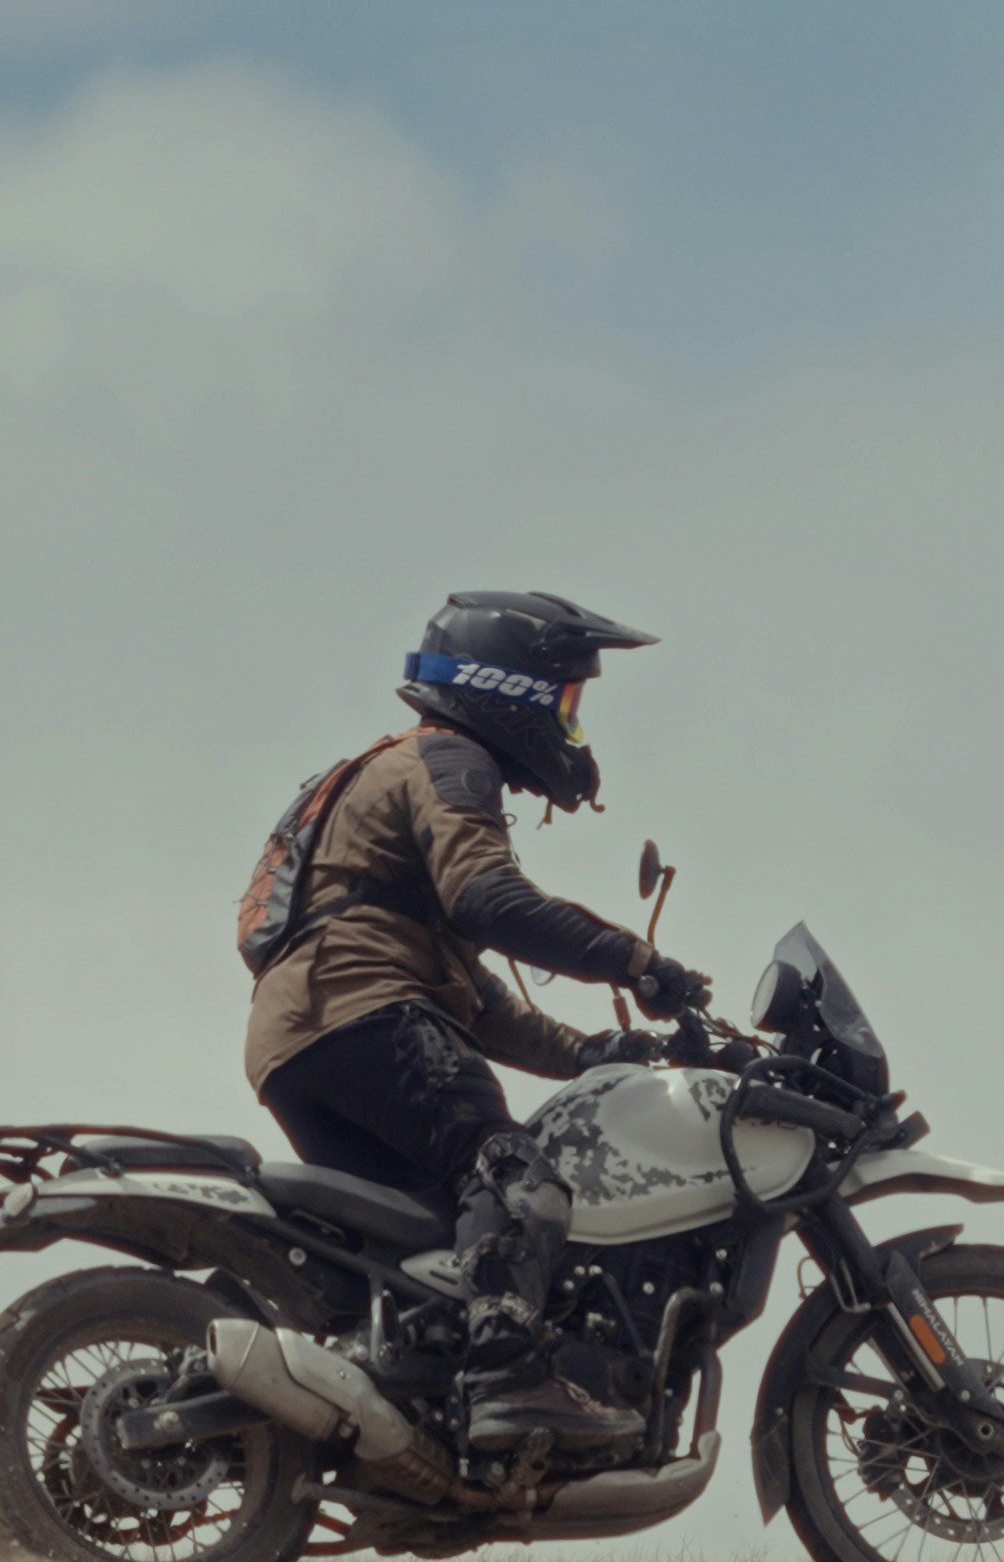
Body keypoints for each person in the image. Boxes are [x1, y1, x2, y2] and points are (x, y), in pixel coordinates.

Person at [239, 591, 710, 1501]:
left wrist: (593, 1052)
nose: (571, 726)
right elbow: (488, 901)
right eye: (566, 702)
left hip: (307, 1033)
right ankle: (506, 1380)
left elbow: (479, 1001)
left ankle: (410, 1428)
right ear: (512, 687)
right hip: (361, 1011)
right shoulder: (449, 758)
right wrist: (638, 960)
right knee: (513, 1175)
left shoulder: (383, 781)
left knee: (421, 1256)